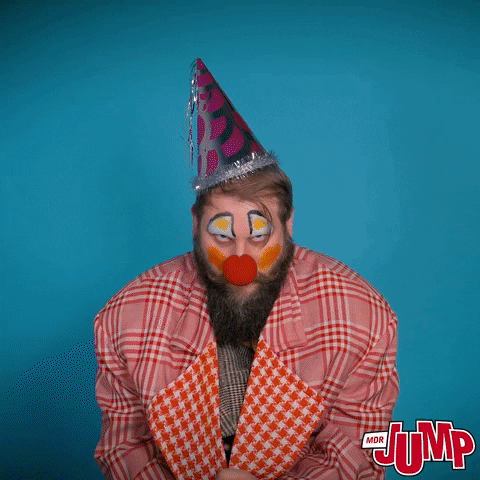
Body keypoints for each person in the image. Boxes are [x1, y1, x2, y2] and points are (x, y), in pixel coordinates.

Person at [94, 58, 399, 480]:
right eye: (221, 234)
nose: (241, 259)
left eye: (259, 234)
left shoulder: (363, 319)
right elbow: (125, 445)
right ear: (195, 225)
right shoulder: (124, 318)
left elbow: (359, 451)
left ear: (288, 225)